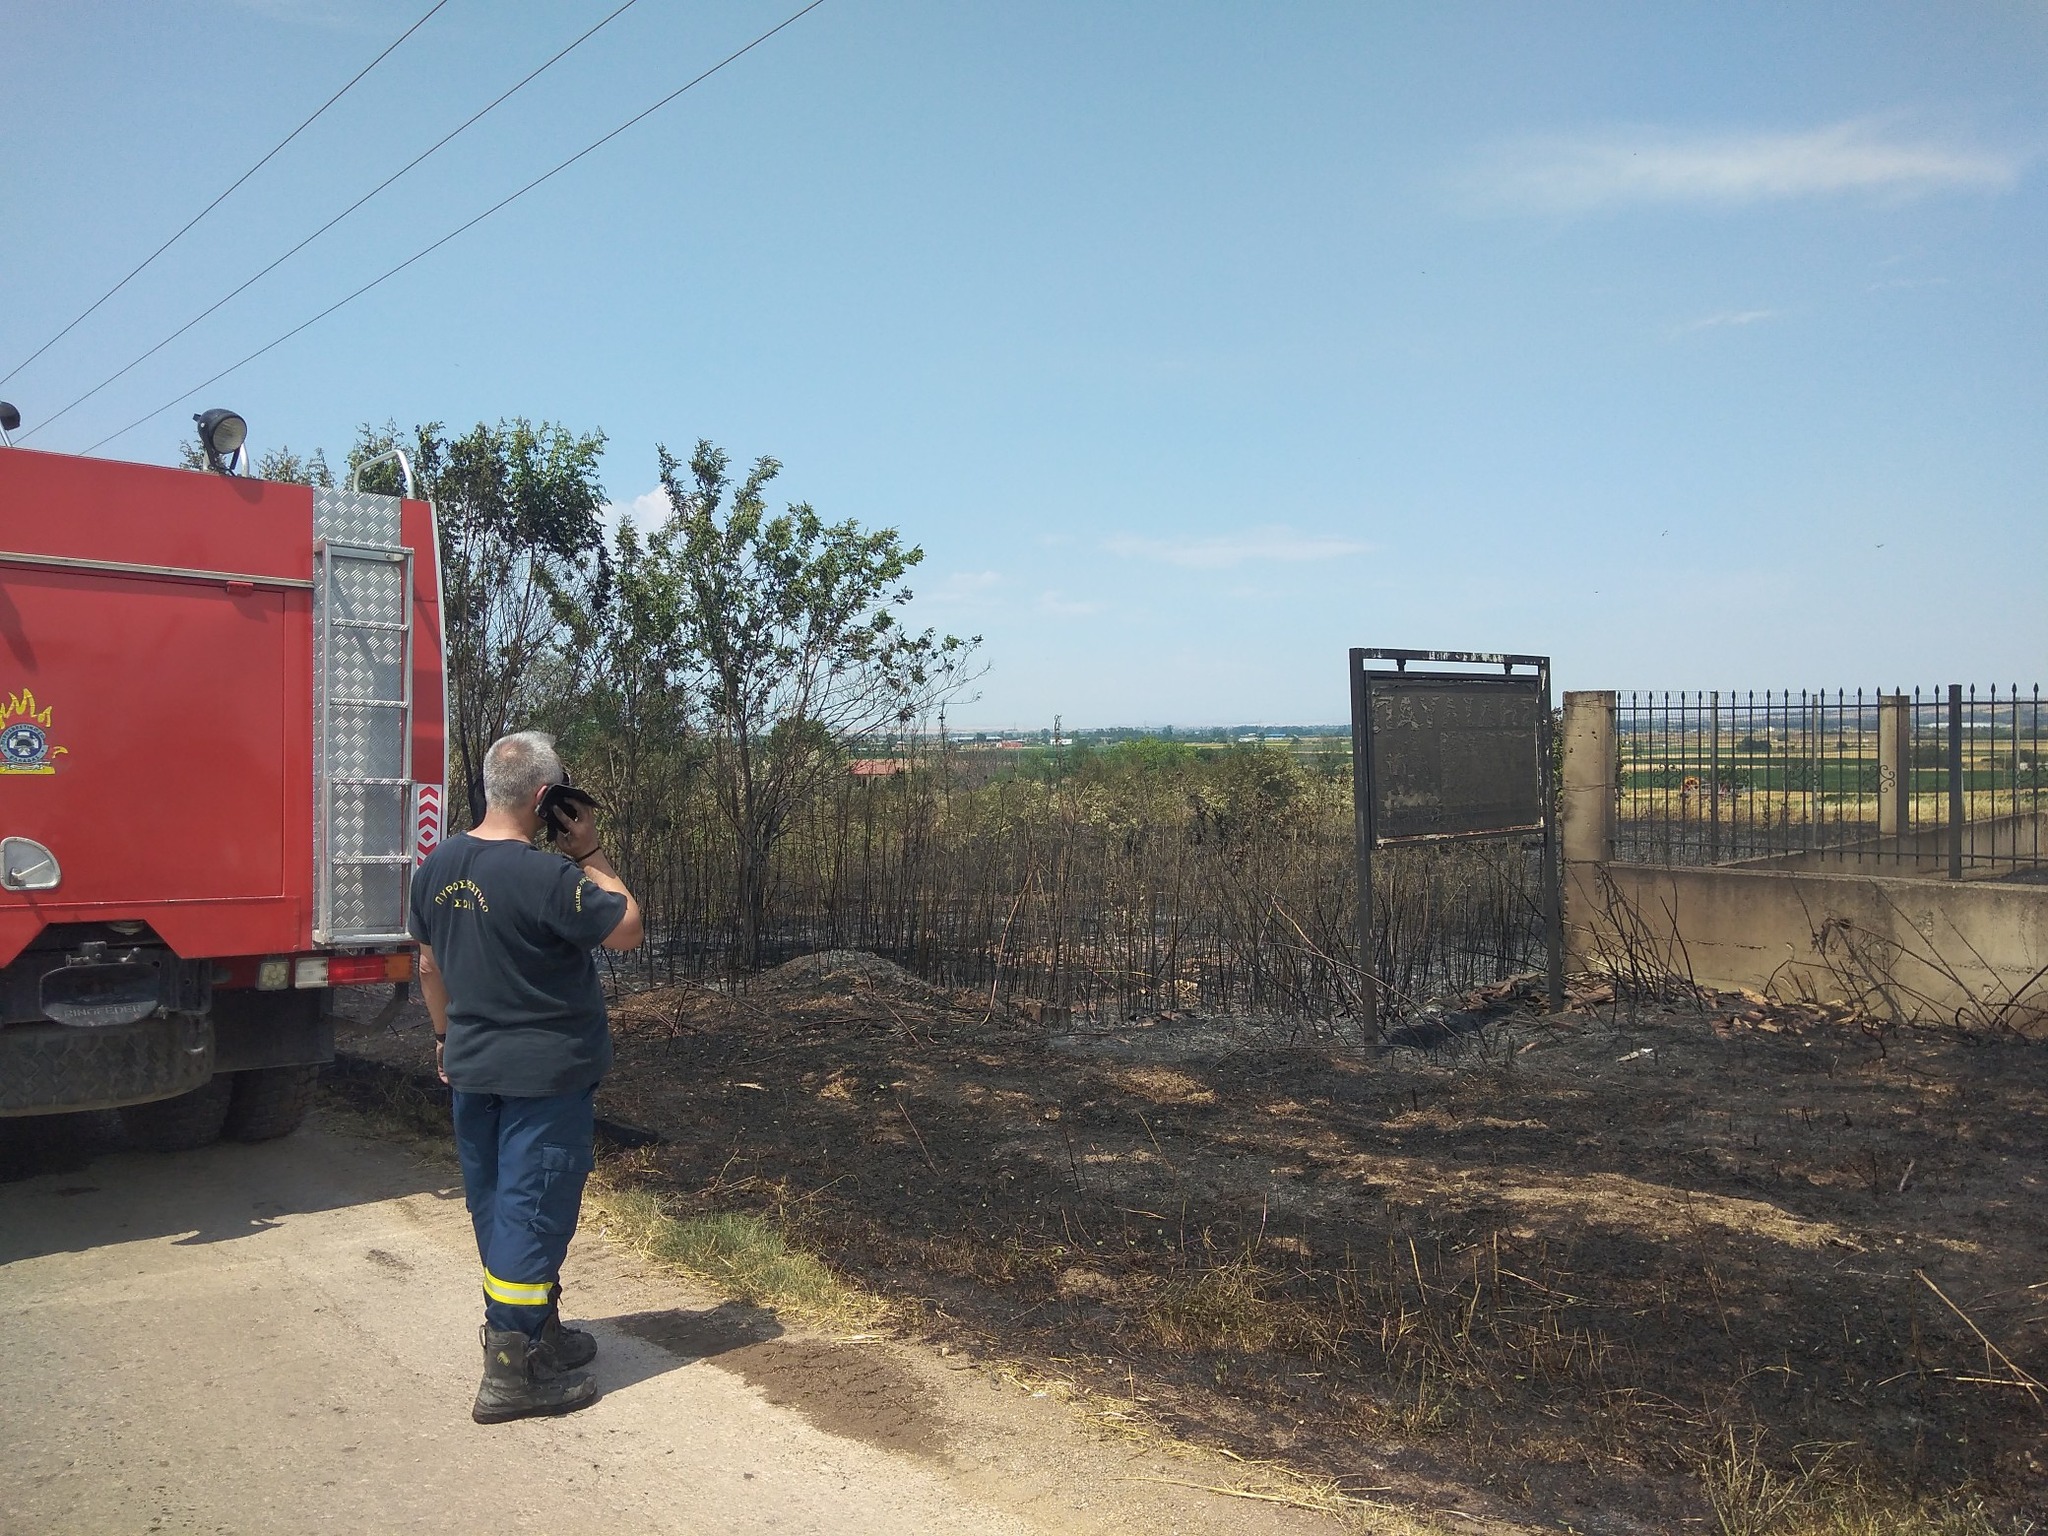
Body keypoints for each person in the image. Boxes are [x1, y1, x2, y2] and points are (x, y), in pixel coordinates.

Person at [409, 730, 644, 1424]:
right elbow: (627, 927)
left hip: (473, 1066)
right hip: (544, 1076)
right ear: (545, 799)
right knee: (535, 1206)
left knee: (498, 1204)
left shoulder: (438, 864)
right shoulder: (549, 877)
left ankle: (537, 1331)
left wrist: (445, 1039)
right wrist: (591, 851)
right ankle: (510, 1373)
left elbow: (428, 967)